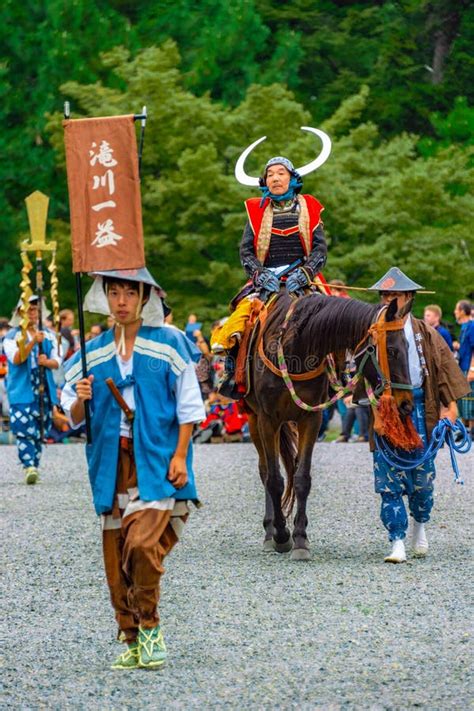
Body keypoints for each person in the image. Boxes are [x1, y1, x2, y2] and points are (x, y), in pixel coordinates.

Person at [61, 268, 205, 670]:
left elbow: (189, 405)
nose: (122, 300)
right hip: (111, 464)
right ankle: (132, 636)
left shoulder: (170, 343)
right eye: (114, 292)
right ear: (104, 297)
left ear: (145, 298)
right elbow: (71, 417)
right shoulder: (93, 352)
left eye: (130, 292)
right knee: (115, 558)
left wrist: (180, 456)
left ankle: (151, 625)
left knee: (141, 545)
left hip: (156, 461)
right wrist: (80, 400)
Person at [212, 130, 331, 394]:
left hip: (303, 277)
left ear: (292, 178)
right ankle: (234, 373)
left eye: (281, 173)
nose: (275, 178)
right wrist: (258, 274)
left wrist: (307, 271)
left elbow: (321, 249)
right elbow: (245, 251)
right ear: (264, 180)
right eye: (270, 174)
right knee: (240, 318)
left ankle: (338, 374)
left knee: (333, 315)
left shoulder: (309, 207)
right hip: (266, 280)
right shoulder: (255, 211)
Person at [365, 267, 469, 563]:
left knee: (422, 480)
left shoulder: (427, 332)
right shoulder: (371, 332)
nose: (387, 300)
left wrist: (451, 408)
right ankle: (396, 540)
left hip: (422, 407)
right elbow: (359, 375)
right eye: (383, 295)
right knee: (388, 479)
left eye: (394, 295)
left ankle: (419, 527)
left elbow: (444, 372)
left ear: (409, 297)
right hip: (386, 408)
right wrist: (375, 411)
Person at [3, 295, 61, 484]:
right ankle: (28, 465)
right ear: (20, 313)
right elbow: (17, 358)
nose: (33, 313)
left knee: (41, 428)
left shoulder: (49, 335)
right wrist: (31, 342)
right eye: (29, 309)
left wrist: (48, 362)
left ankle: (34, 462)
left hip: (43, 388)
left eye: (36, 309)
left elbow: (57, 360)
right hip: (22, 389)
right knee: (23, 427)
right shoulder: (11, 337)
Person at [453, 300, 474, 436]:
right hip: (462, 366)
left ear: (462, 311)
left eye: (456, 309)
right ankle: (464, 429)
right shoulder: (464, 326)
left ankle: (472, 430)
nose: (455, 312)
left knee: (470, 398)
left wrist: (473, 369)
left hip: (469, 367)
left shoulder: (472, 326)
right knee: (462, 398)